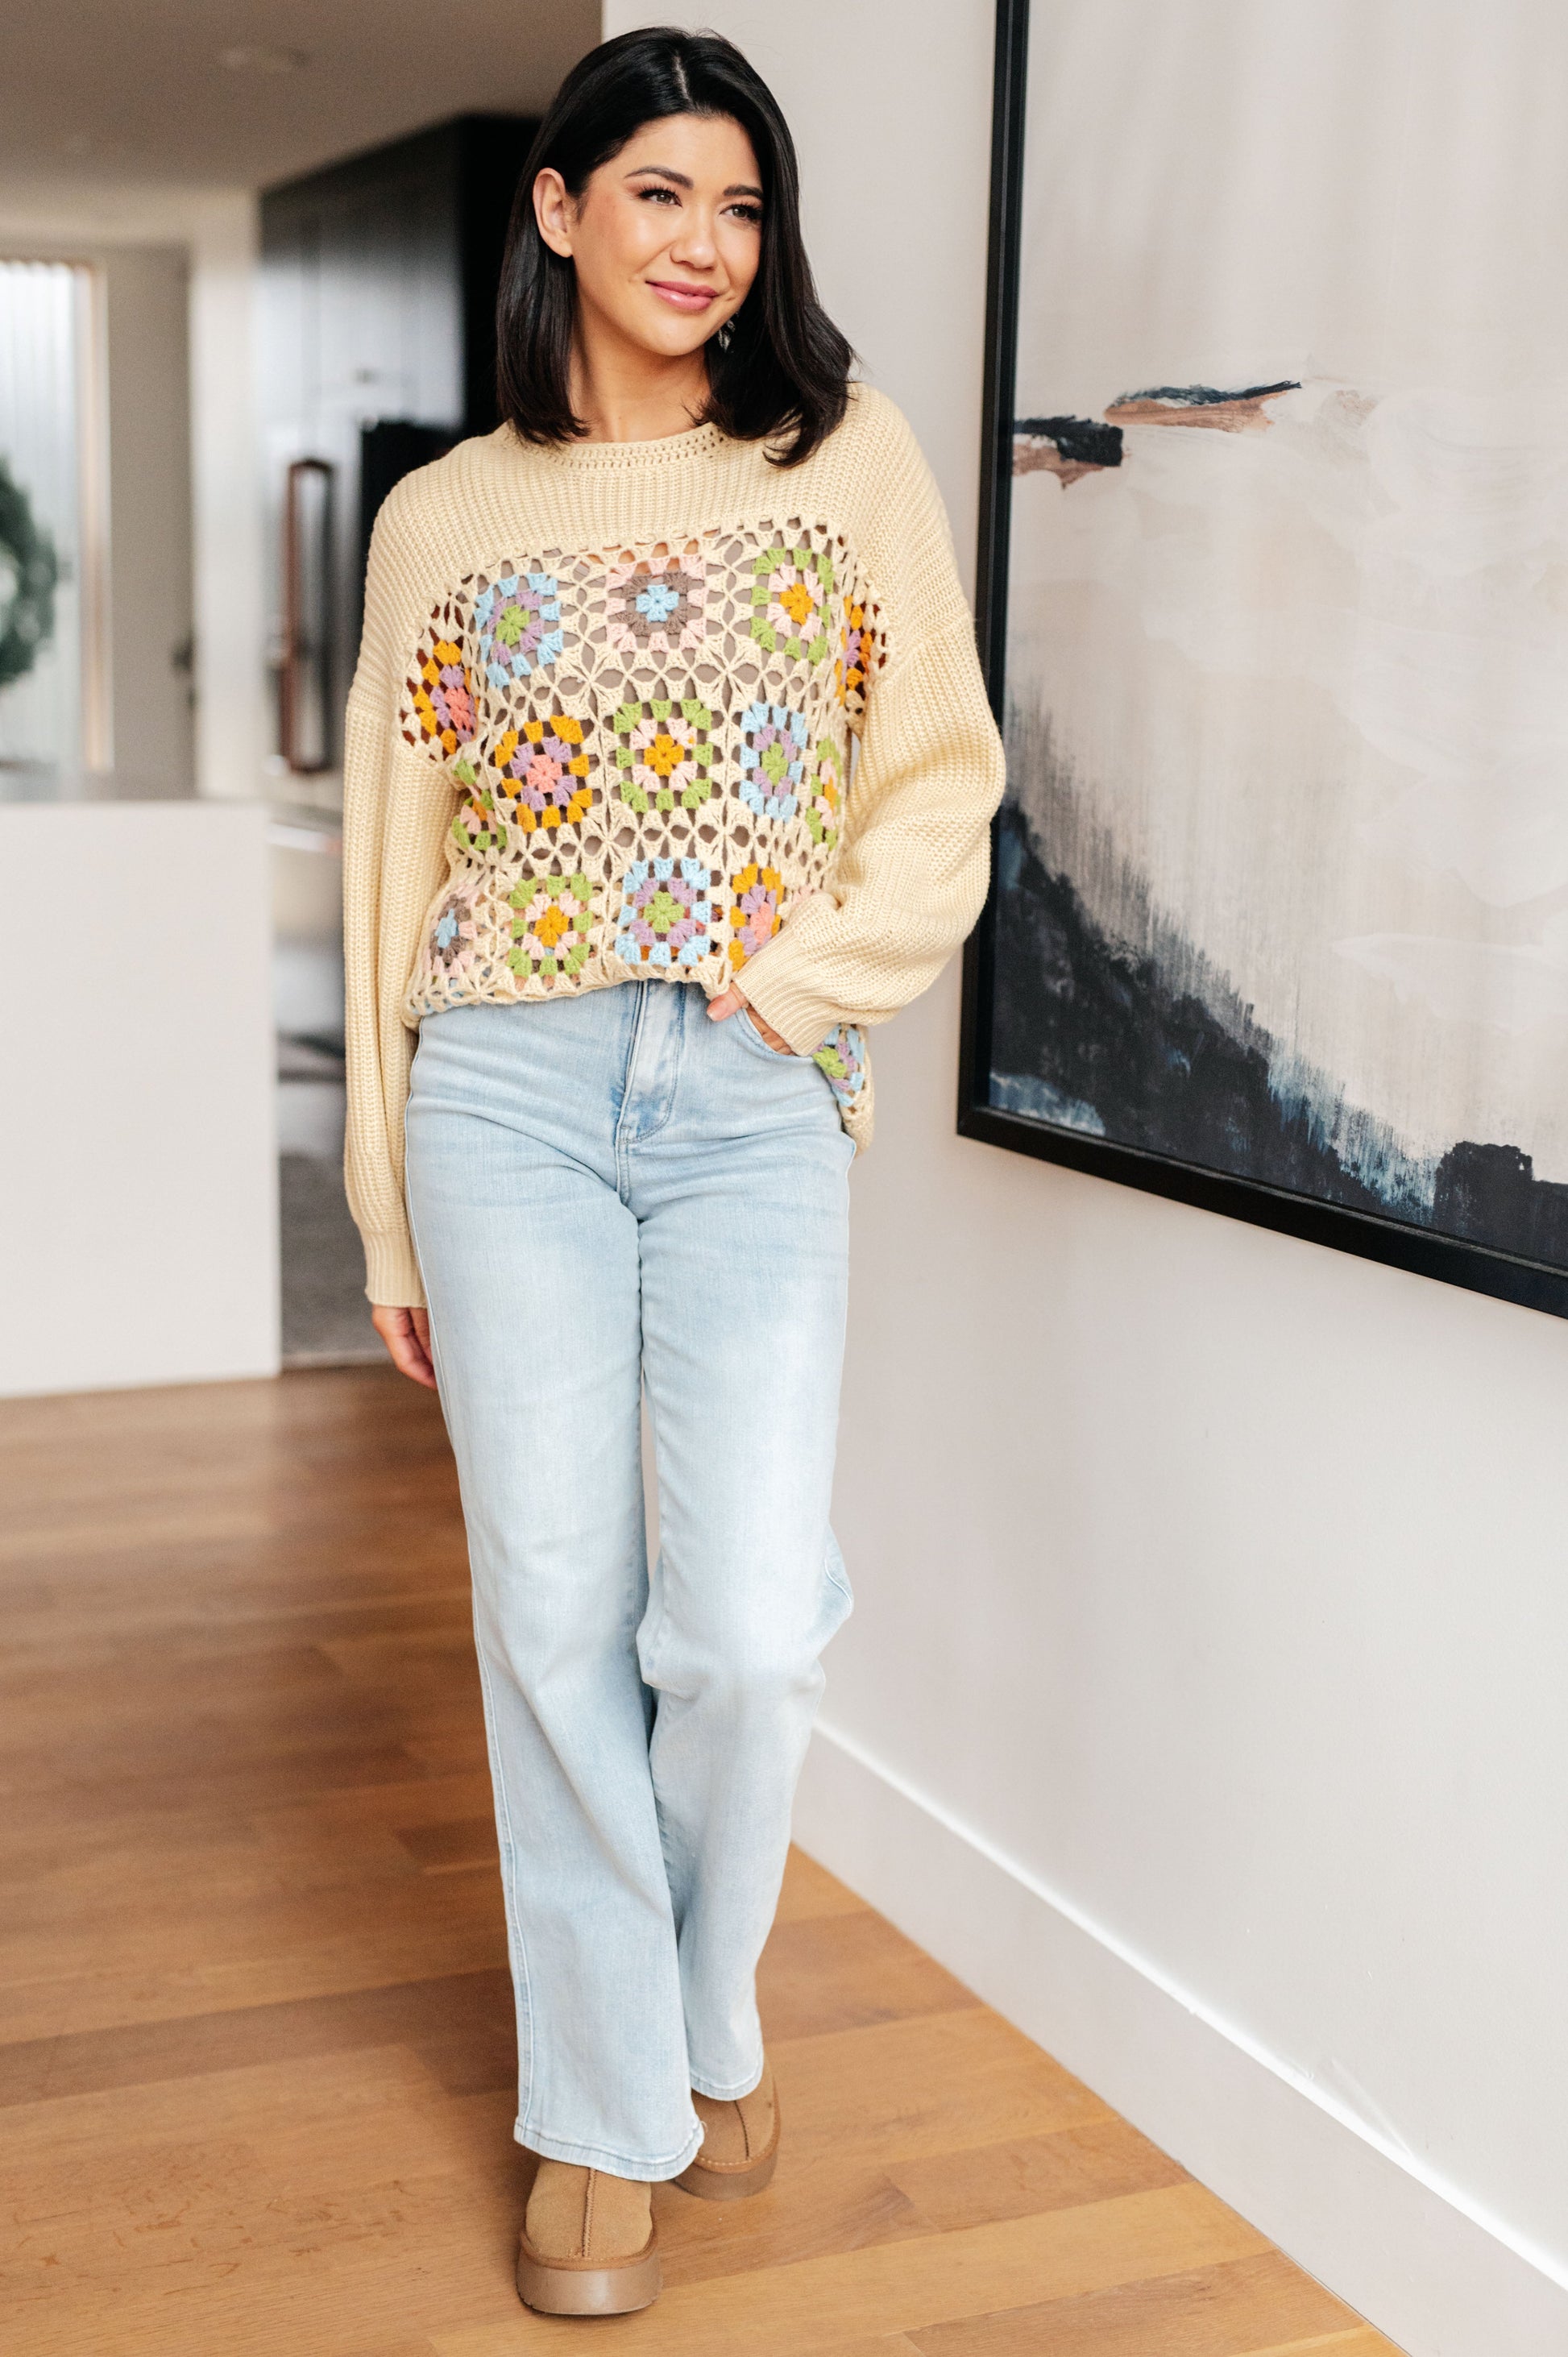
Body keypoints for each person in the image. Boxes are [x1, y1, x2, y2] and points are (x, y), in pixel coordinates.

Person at [343, 24, 1004, 2318]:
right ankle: (603, 2108)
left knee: (734, 1630)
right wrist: (381, 1201)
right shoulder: (441, 522)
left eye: (739, 206)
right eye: (658, 196)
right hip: (502, 1088)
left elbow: (940, 777)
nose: (705, 245)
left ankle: (705, 2015)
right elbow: (387, 870)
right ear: (559, 210)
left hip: (746, 1092)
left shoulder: (843, 463)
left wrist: (799, 988)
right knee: (549, 1616)